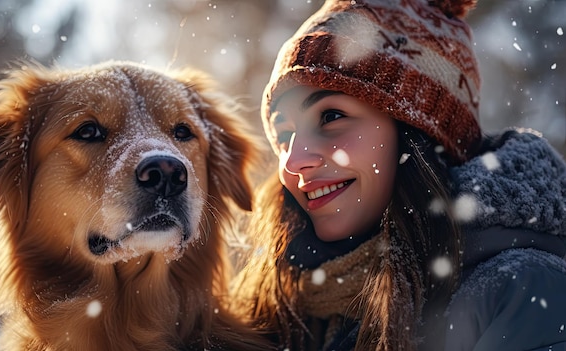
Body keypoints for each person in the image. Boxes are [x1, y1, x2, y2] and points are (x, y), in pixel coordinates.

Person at [231, 0, 566, 350]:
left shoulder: (520, 292)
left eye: (331, 117)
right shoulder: (281, 310)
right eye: (284, 136)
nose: (293, 162)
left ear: (419, 135)